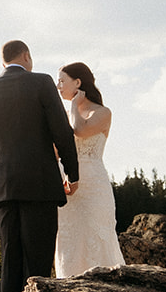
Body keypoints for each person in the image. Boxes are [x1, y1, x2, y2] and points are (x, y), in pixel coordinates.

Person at [0, 39, 79, 292]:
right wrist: (72, 172)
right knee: (38, 255)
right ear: (26, 56)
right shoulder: (41, 82)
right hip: (39, 181)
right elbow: (62, 130)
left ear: (4, 61)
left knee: (11, 255)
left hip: (2, 183)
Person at [54, 62, 127, 276]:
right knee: (69, 239)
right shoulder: (65, 115)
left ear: (77, 82)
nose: (58, 86)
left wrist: (74, 105)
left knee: (96, 236)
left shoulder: (103, 113)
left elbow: (80, 130)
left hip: (94, 186)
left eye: (62, 81)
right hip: (67, 185)